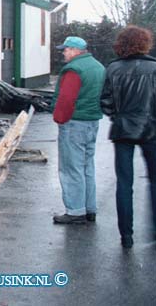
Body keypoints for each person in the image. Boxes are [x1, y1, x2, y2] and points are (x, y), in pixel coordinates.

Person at [100, 26, 156, 248]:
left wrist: (118, 117)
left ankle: (126, 235)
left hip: (123, 129)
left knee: (125, 183)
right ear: (145, 43)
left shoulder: (113, 69)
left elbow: (105, 101)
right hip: (153, 129)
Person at [52, 36, 105, 224]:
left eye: (66, 49)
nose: (64, 53)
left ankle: (75, 211)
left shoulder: (74, 69)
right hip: (92, 121)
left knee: (70, 168)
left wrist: (59, 118)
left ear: (75, 50)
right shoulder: (98, 67)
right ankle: (89, 208)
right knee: (86, 166)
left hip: (74, 123)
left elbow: (66, 98)